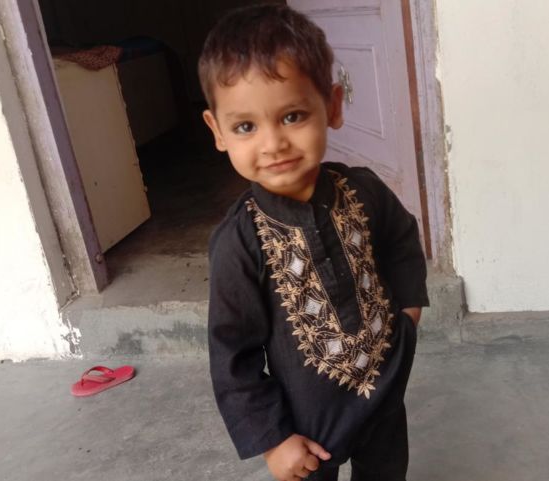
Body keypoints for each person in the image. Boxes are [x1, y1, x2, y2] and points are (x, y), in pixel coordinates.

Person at [198, 5, 429, 481]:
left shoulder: (363, 190)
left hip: (384, 391)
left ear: (333, 107)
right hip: (306, 427)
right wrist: (273, 439)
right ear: (217, 132)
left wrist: (407, 315)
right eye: (246, 126)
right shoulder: (239, 242)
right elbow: (233, 355)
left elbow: (401, 240)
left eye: (293, 116)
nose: (273, 144)